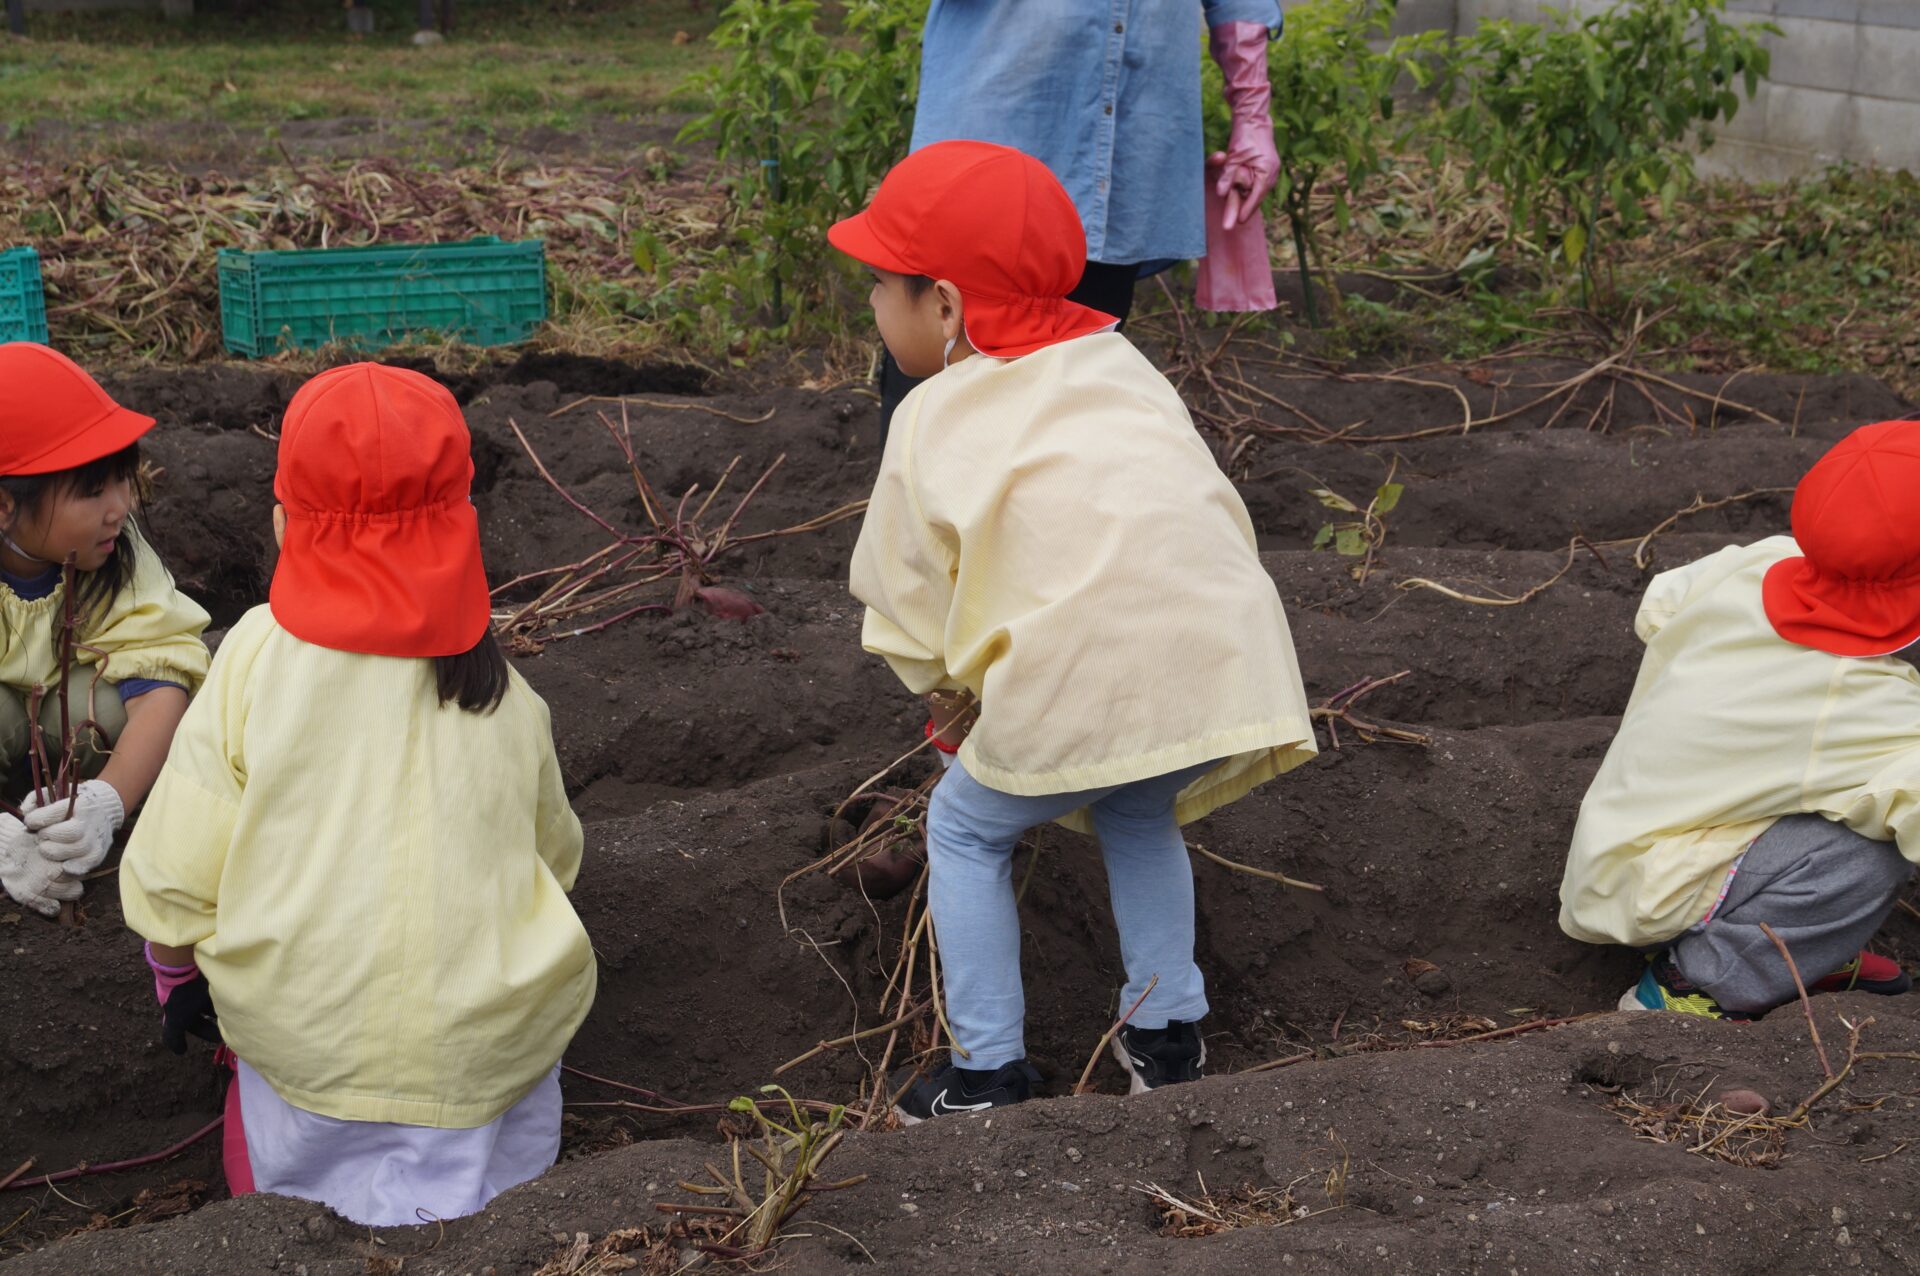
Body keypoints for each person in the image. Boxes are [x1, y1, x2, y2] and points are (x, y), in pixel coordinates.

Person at [832, 142, 1317, 1121]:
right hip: (1216, 653)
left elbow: (905, 592)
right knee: (1139, 810)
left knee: (964, 827)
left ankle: (986, 1074)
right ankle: (1165, 1038)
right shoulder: (1115, 362)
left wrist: (941, 685)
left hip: (1085, 667)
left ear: (946, 307)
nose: (875, 310)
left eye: (882, 287)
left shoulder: (933, 415)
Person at [119, 363, 594, 1226]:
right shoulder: (497, 683)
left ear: (282, 520)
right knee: (487, 1196)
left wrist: (174, 973)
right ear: (463, 529)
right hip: (485, 1060)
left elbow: (176, 869)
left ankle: (274, 1210)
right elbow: (557, 861)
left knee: (285, 1184)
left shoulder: (256, 657)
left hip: (307, 1051)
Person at [1561, 420, 1920, 1019]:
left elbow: (1661, 607)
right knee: (1869, 853)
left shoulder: (1757, 563)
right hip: (1656, 892)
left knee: (1841, 794)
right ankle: (1695, 982)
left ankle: (1801, 950)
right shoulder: (1857, 704)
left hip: (1625, 844)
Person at [877, 0, 1284, 437]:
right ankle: (916, 500)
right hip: (997, 109)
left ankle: (1045, 502)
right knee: (935, 380)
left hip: (1128, 138)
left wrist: (1252, 114)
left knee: (1071, 391)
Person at [0, 343, 209, 919]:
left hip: (62, 732)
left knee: (118, 709)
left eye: (122, 480)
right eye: (93, 491)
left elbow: (163, 678)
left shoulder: (117, 552)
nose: (119, 507)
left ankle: (69, 804)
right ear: (4, 505)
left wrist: (109, 801)